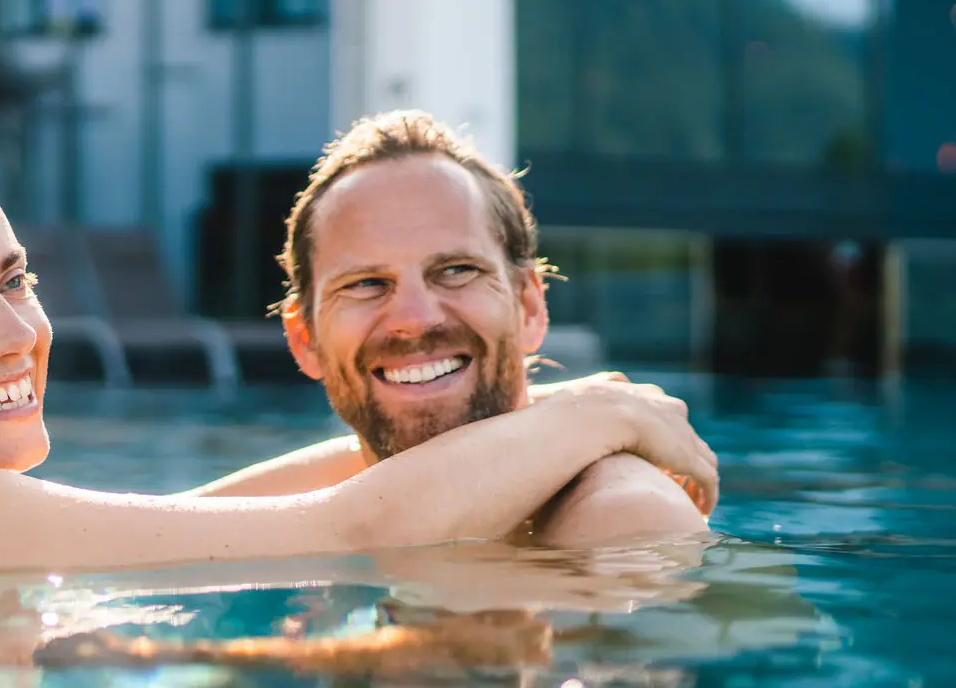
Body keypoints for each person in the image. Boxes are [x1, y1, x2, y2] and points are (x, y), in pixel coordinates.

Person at [0, 124, 716, 583]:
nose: (18, 333)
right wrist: (608, 415)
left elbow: (217, 523)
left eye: (15, 279)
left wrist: (554, 433)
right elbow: (343, 529)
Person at [194, 111, 708, 549]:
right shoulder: (329, 504)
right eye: (367, 283)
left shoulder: (622, 519)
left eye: (457, 271)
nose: (414, 318)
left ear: (529, 306)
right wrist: (596, 416)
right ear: (304, 340)